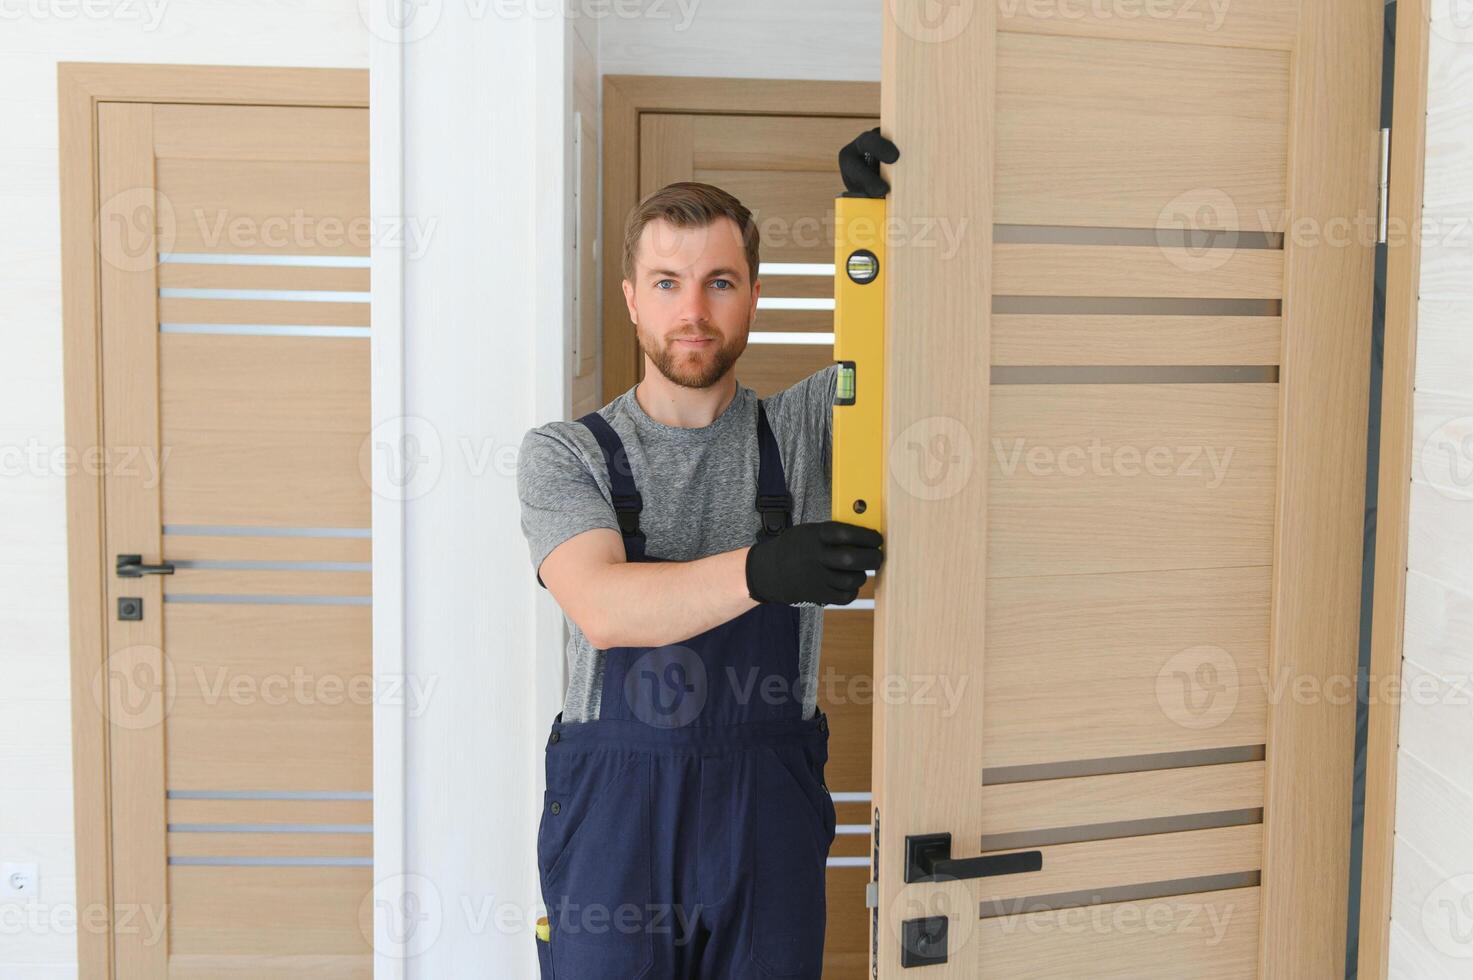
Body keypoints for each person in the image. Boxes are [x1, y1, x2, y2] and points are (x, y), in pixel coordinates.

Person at [516, 177, 886, 978]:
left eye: (719, 282)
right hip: (615, 820)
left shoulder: (809, 429)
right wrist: (765, 569)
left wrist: (889, 214)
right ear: (631, 300)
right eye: (666, 283)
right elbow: (604, 609)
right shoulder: (564, 454)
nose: (693, 310)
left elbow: (918, 342)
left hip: (767, 813)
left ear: (754, 295)